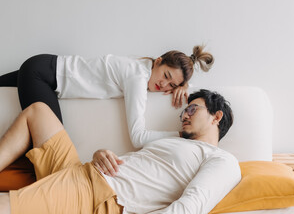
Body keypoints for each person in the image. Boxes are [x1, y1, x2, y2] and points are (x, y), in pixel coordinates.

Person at [0, 89, 241, 214]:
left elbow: (192, 205)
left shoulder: (222, 160)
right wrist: (99, 154)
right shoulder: (176, 143)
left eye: (192, 109)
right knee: (38, 112)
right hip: (87, 175)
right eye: (183, 111)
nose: (184, 116)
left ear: (216, 117)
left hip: (100, 196)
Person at [0, 46, 214, 148]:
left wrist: (185, 85)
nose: (163, 86)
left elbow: (171, 80)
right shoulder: (137, 77)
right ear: (157, 61)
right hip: (41, 73)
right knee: (53, 144)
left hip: (41, 68)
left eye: (172, 85)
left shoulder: (141, 68)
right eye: (166, 76)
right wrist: (182, 135)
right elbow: (138, 137)